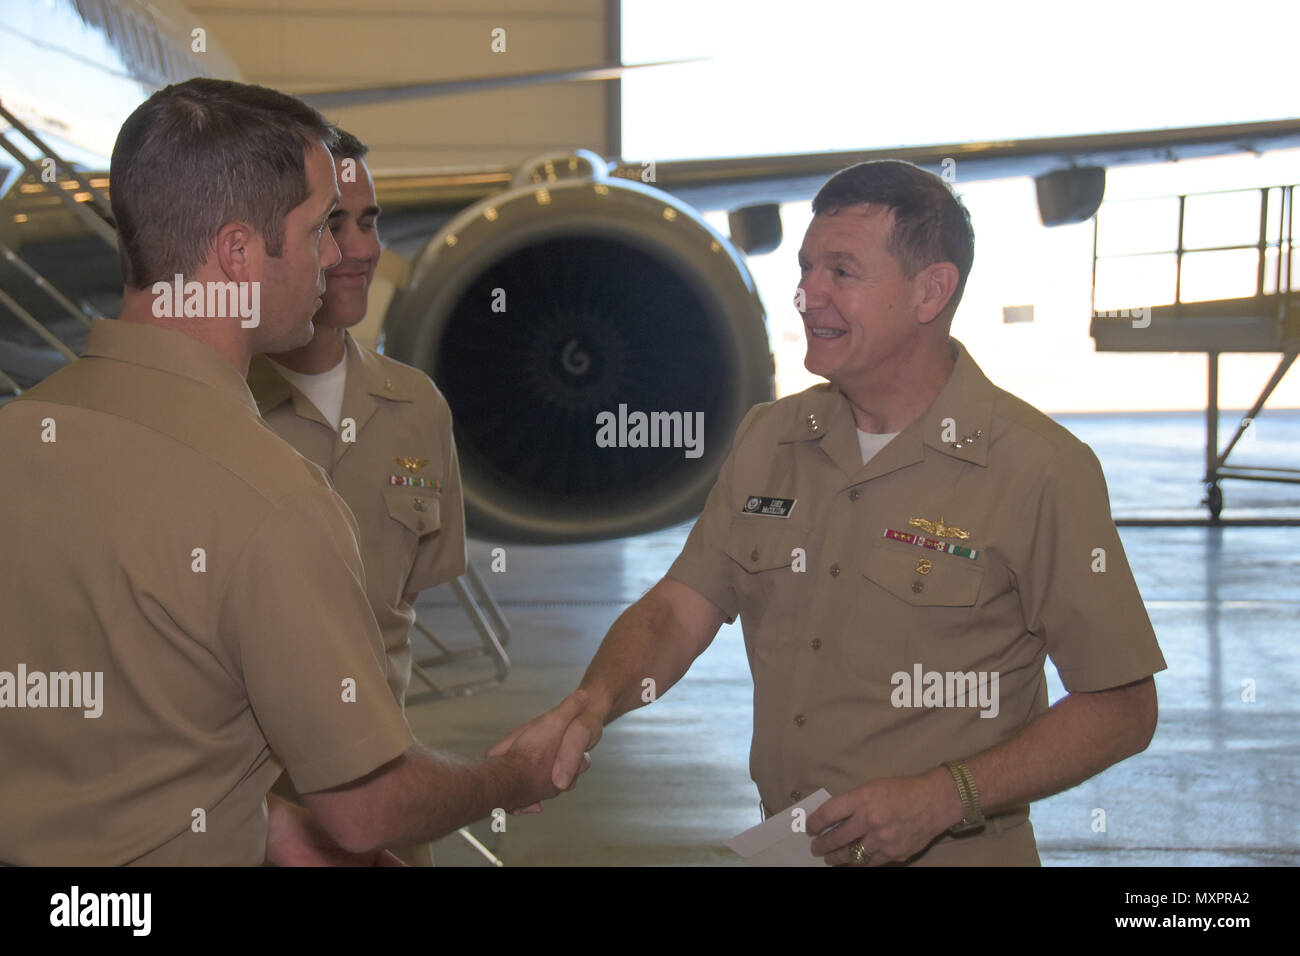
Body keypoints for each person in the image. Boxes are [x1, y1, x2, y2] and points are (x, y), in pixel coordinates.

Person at [496, 159, 1167, 866]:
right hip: (794, 851)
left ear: (931, 291)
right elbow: (678, 610)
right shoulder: (770, 438)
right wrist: (591, 705)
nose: (806, 295)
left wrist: (948, 795)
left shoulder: (1039, 469)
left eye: (841, 273)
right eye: (806, 268)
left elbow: (1123, 706)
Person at [0, 78, 583, 866]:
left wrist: (270, 823)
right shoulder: (270, 500)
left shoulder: (22, 433)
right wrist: (507, 778)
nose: (341, 256)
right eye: (317, 231)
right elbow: (366, 811)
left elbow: (138, 740)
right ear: (238, 253)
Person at [246, 127, 465, 865]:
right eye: (331, 224)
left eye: (368, 221)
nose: (360, 250)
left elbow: (406, 605)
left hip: (388, 819)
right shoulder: (217, 410)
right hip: (249, 825)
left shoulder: (418, 408)